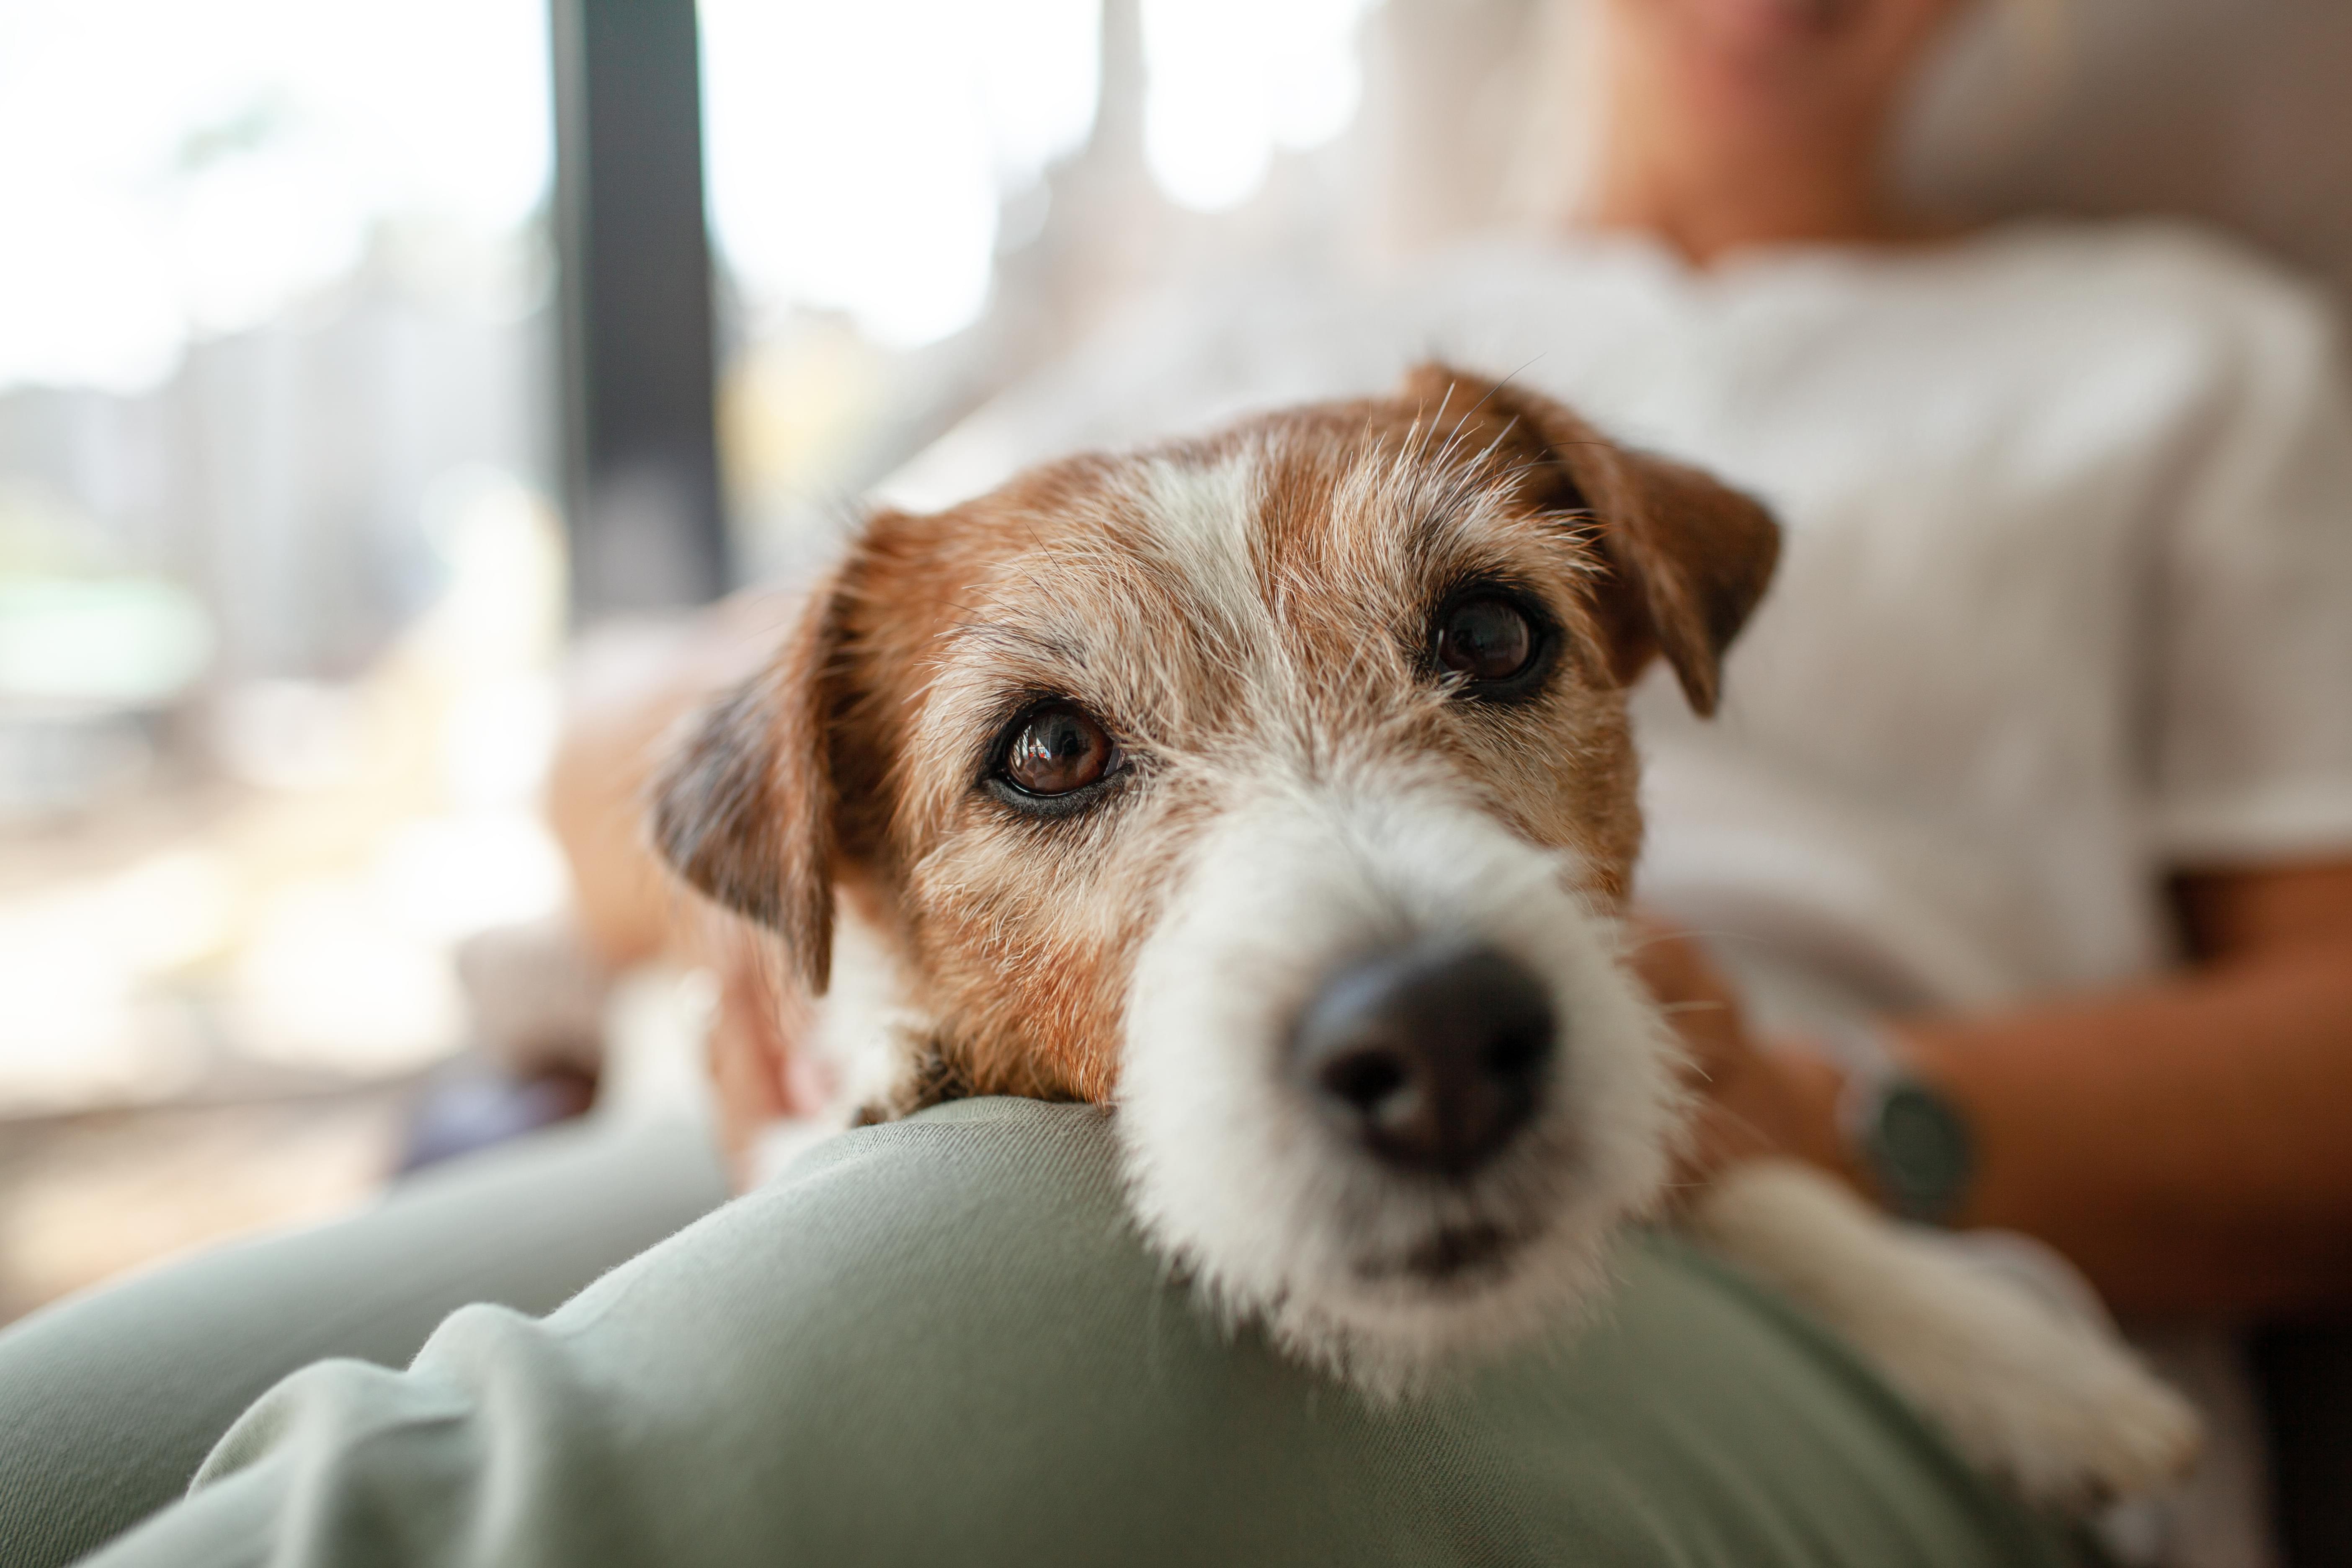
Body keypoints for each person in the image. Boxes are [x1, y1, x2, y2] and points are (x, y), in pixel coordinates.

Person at [4, 0, 2346, 1564]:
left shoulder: (2187, 356)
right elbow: (646, 765)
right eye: (1056, 748)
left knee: (944, 1275)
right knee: (76, 1434)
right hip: (960, 1104)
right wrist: (837, 968)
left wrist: (1846, 1116)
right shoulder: (1211, 332)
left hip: (1874, 1272)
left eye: (1490, 636)